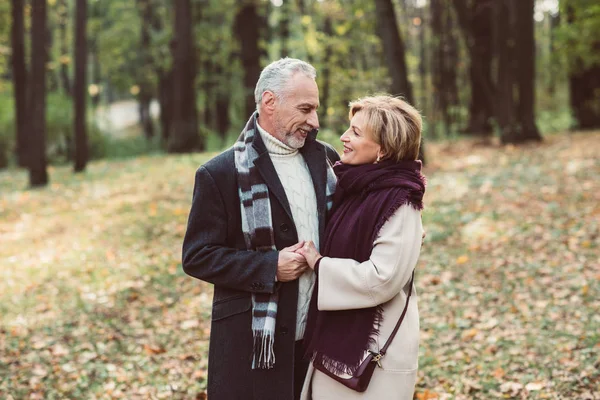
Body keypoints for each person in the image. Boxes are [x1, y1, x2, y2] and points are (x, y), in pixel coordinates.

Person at [182, 58, 340, 400]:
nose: (314, 121)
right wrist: (270, 267)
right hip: (254, 347)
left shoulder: (326, 159)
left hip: (319, 339)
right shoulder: (219, 173)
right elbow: (197, 256)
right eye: (305, 109)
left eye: (315, 109)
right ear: (270, 102)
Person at [297, 95, 426, 399]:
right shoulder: (358, 188)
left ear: (382, 150)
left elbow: (382, 278)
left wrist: (320, 264)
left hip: (373, 352)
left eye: (355, 132)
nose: (343, 137)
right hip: (340, 345)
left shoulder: (400, 202)